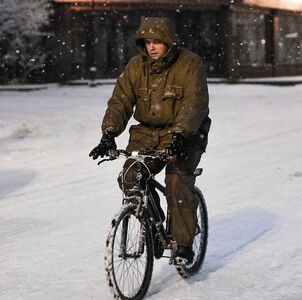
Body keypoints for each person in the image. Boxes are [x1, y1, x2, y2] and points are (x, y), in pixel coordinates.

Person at [89, 19, 211, 266]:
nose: (152, 47)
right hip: (146, 133)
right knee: (131, 177)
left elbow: (195, 103)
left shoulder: (190, 63)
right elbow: (120, 101)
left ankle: (183, 243)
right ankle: (152, 225)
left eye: (157, 42)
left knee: (176, 180)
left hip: (186, 134)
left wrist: (179, 133)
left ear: (168, 42)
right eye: (147, 42)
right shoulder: (136, 67)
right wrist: (109, 134)